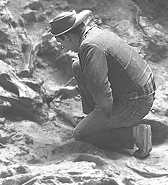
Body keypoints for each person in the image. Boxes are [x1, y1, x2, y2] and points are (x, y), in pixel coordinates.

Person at [49, 9, 155, 158]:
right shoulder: (93, 33)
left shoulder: (90, 46)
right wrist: (75, 91)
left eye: (60, 42)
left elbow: (100, 87)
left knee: (80, 134)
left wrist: (100, 119)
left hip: (136, 101)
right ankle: (94, 117)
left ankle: (135, 134)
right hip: (140, 88)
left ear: (67, 37)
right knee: (78, 66)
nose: (62, 47)